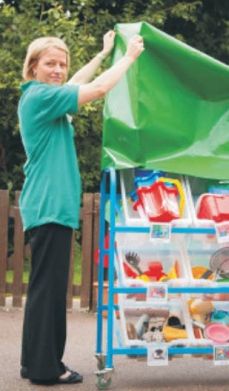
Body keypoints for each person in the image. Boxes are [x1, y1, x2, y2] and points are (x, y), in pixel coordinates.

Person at [18, 30, 144, 385]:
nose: (57, 70)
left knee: (43, 289)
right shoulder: (41, 96)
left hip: (46, 205)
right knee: (51, 292)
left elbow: (76, 81)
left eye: (62, 63)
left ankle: (33, 362)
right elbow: (98, 90)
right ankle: (47, 369)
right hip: (50, 205)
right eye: (49, 64)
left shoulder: (43, 97)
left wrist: (102, 55)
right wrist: (128, 58)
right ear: (33, 67)